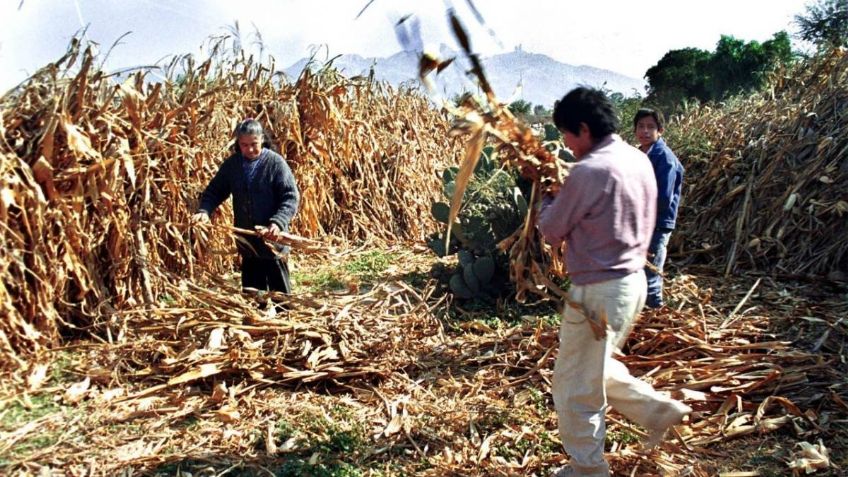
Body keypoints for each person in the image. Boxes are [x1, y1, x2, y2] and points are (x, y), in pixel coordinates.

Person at [537, 88, 691, 477]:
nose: (567, 145)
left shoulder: (589, 171)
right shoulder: (636, 160)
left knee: (574, 386)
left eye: (567, 135)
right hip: (632, 283)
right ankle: (659, 411)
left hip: (598, 293)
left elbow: (552, 231)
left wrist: (546, 194)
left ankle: (588, 470)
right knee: (594, 368)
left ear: (584, 129)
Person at [192, 118, 300, 294]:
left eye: (254, 144)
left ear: (262, 140)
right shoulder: (233, 165)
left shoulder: (275, 163)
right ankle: (256, 318)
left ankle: (283, 316)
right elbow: (215, 191)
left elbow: (290, 197)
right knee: (253, 294)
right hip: (247, 240)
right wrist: (204, 211)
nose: (249, 149)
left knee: (280, 295)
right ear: (238, 144)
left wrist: (277, 223)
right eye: (244, 145)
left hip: (272, 239)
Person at [633, 108, 684, 309]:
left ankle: (656, 318)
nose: (645, 131)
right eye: (641, 126)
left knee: (651, 273)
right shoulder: (640, 153)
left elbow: (662, 198)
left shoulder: (664, 158)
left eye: (651, 127)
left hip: (657, 223)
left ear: (660, 130)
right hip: (642, 221)